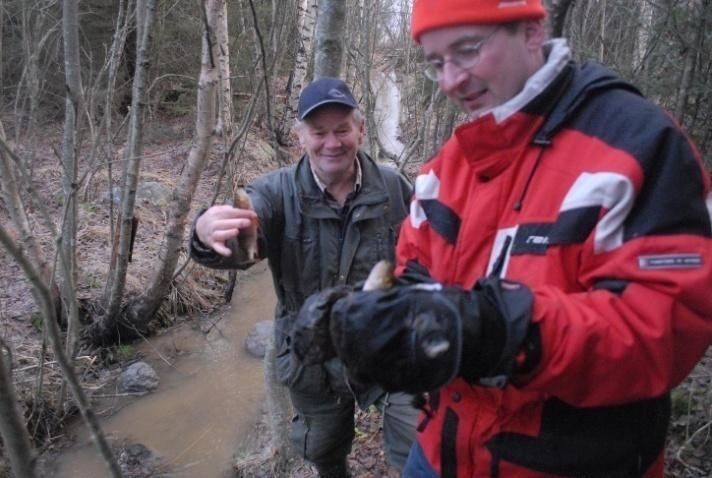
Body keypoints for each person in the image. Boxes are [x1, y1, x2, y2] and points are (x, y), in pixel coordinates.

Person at [292, 1, 712, 477]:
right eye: (435, 63)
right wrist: (363, 318)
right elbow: (416, 277)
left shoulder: (638, 146)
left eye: (467, 51)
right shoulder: (447, 168)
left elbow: (666, 329)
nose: (450, 80)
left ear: (532, 32)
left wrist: (494, 331)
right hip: (438, 453)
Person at [189, 77, 418, 477]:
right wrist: (206, 233)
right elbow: (244, 244)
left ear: (361, 130)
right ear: (300, 137)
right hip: (312, 356)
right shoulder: (274, 193)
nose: (333, 143)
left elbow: (428, 254)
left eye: (343, 130)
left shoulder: (394, 188)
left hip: (387, 346)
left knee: (420, 443)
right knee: (323, 450)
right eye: (319, 132)